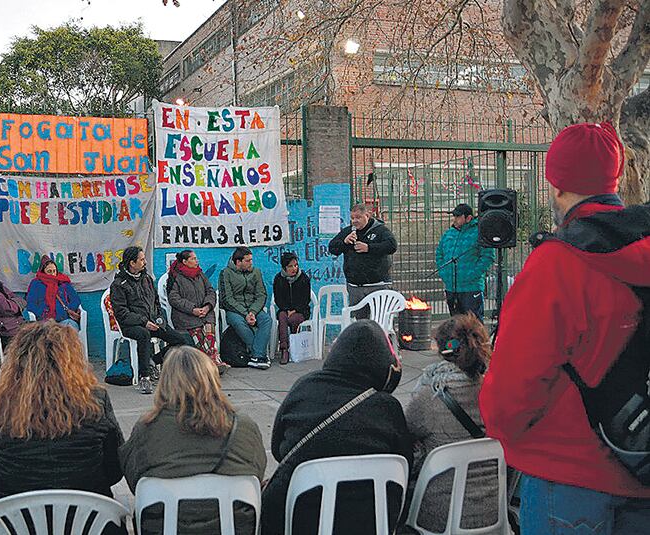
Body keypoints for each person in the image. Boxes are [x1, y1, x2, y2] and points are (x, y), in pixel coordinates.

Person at [480, 122, 650, 532]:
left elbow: (511, 393)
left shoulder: (556, 265)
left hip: (568, 476)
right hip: (642, 465)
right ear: (617, 177)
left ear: (555, 186)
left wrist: (506, 432)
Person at [261, 320, 411, 535]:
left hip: (301, 522)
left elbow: (278, 450)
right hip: (370, 523)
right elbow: (405, 466)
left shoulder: (304, 387)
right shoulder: (388, 408)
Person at [0, 322, 125, 507]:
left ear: (16, 360)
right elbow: (115, 467)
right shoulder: (96, 400)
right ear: (72, 359)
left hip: (13, 521)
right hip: (88, 518)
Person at [120, 346, 266, 534]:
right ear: (212, 379)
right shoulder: (244, 427)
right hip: (235, 527)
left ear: (165, 382)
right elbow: (257, 473)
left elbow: (135, 482)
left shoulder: (147, 429)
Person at [403, 313, 496, 531]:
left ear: (442, 350)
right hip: (492, 511)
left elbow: (405, 439)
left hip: (440, 516)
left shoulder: (429, 398)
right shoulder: (495, 394)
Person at [110, 245, 193, 395]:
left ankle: (154, 360)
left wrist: (159, 318)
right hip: (131, 325)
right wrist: (144, 322)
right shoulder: (119, 284)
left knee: (181, 339)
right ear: (132, 263)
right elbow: (122, 313)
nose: (145, 262)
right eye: (141, 260)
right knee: (144, 335)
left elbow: (156, 302)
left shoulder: (147, 279)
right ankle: (144, 377)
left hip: (152, 321)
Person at [327, 204, 397, 319]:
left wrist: (369, 248)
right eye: (352, 218)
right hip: (356, 287)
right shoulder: (348, 232)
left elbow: (392, 246)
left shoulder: (380, 230)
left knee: (379, 320)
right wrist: (344, 242)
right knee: (360, 323)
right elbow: (332, 248)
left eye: (358, 217)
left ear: (367, 216)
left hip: (377, 285)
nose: (355, 221)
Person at [165, 249, 227, 373]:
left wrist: (207, 306)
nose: (196, 261)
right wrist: (192, 309)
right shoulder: (176, 277)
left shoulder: (200, 274)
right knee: (199, 334)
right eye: (193, 258)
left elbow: (210, 291)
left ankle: (211, 361)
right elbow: (174, 298)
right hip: (185, 315)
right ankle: (212, 362)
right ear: (184, 261)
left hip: (205, 313)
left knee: (209, 332)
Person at [435, 204, 494, 320]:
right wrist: (444, 273)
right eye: (454, 216)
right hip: (451, 287)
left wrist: (472, 274)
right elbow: (439, 254)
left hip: (471, 287)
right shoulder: (449, 234)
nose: (455, 219)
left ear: (468, 218)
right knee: (456, 324)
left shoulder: (479, 233)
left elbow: (488, 256)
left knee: (473, 323)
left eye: (458, 216)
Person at [219, 246, 271, 369]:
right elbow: (227, 298)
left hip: (254, 308)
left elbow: (261, 294)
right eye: (247, 261)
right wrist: (245, 314)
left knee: (267, 320)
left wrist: (252, 312)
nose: (251, 263)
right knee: (239, 323)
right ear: (238, 262)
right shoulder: (226, 273)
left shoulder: (256, 272)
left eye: (251, 260)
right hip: (235, 310)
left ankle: (256, 356)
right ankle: (259, 355)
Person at [272, 252, 311, 365]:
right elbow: (278, 298)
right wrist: (287, 309)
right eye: (290, 266)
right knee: (282, 317)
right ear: (284, 268)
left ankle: (294, 347)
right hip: (285, 310)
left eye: (296, 265)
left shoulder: (304, 278)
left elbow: (306, 299)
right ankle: (284, 348)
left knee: (293, 319)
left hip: (301, 310)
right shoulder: (279, 279)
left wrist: (295, 310)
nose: (294, 268)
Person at [26, 256, 83, 330]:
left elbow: (75, 299)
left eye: (54, 271)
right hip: (45, 321)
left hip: (64, 319)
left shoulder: (63, 282)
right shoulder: (36, 283)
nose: (53, 274)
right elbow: (31, 302)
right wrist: (41, 314)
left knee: (70, 331)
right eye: (49, 271)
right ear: (43, 271)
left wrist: (67, 310)